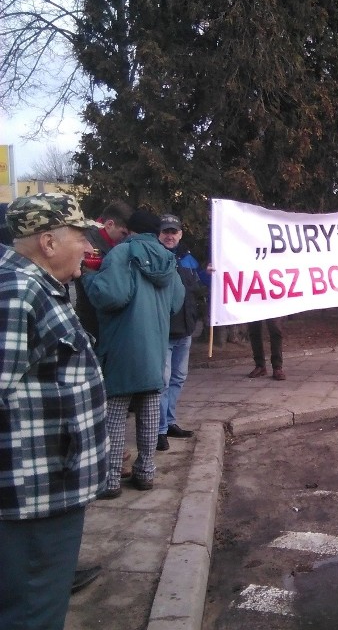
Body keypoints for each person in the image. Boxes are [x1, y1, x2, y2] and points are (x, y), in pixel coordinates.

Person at [0, 193, 108, 629]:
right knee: (33, 610)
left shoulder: (38, 285)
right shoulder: (17, 291)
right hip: (32, 494)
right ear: (47, 242)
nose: (87, 248)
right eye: (80, 237)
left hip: (50, 484)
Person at [83, 210, 184, 495]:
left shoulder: (121, 253)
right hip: (154, 347)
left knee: (114, 416)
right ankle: (145, 473)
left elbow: (110, 296)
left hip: (121, 347)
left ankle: (111, 480)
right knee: (150, 413)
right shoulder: (168, 259)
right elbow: (176, 302)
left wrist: (90, 276)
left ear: (130, 231)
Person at [156, 214, 209, 450]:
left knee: (178, 378)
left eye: (173, 232)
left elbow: (199, 286)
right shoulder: (155, 257)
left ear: (180, 234)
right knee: (163, 382)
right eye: (165, 231)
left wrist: (208, 272)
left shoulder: (188, 259)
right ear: (159, 234)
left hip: (185, 330)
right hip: (163, 331)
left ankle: (169, 422)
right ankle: (158, 431)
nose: (169, 235)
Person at [74, 201, 134, 340]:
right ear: (109, 224)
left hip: (110, 317)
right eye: (123, 233)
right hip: (91, 317)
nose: (125, 238)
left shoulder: (118, 243)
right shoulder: (87, 244)